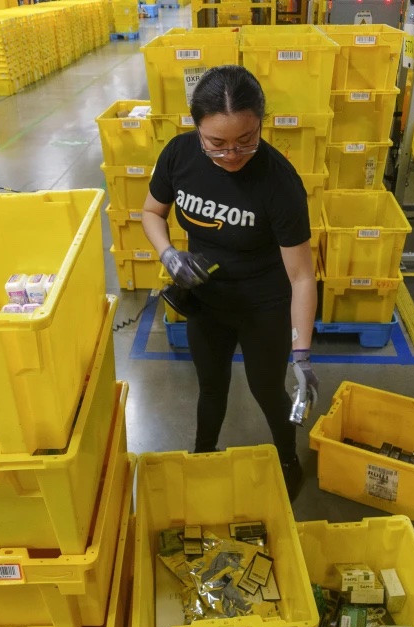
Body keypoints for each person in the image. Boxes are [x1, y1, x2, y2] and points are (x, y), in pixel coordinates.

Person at [141, 64, 318, 500]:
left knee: (267, 389)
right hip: (208, 300)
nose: (232, 155)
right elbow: (151, 213)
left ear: (261, 123)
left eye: (246, 140)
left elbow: (300, 276)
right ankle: (203, 454)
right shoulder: (179, 156)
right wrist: (169, 255)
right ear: (196, 127)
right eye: (216, 143)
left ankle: (287, 458)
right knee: (211, 385)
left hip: (264, 304)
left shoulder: (279, 182)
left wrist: (302, 354)